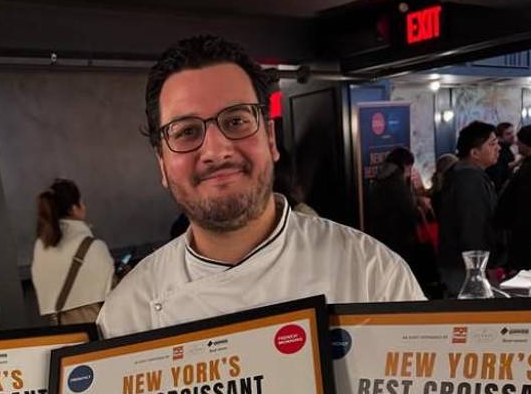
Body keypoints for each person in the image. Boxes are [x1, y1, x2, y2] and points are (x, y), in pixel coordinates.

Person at [97, 35, 425, 338]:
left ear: (269, 138)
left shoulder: (373, 276)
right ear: (162, 164)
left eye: (236, 121)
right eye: (186, 132)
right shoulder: (128, 312)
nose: (216, 151)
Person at [31, 179, 115, 324]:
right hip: (94, 328)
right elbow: (113, 296)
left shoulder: (41, 246)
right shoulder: (93, 247)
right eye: (81, 202)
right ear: (74, 208)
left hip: (60, 332)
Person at [437, 121, 502, 297]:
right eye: (492, 143)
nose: (499, 148)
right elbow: (473, 226)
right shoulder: (469, 181)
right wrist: (481, 267)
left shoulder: (465, 175)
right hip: (466, 268)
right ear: (474, 153)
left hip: (462, 264)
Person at [495, 125, 531, 271]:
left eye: (519, 140)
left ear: (526, 142)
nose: (516, 143)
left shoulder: (529, 169)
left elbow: (510, 203)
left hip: (524, 235)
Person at [485, 122, 516, 192]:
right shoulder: (500, 151)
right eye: (508, 134)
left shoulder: (507, 148)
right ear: (499, 138)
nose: (513, 136)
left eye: (512, 133)